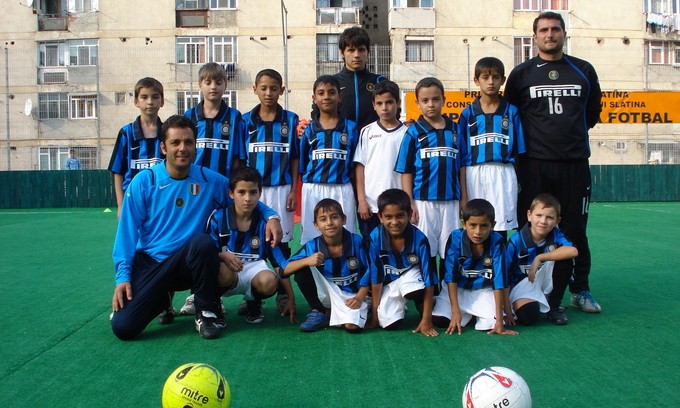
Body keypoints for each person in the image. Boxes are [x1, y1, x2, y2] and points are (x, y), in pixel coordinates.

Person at [110, 115, 281, 341]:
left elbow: (242, 196)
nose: (183, 148)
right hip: (153, 263)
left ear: (195, 146)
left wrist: (272, 216)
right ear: (163, 147)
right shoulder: (144, 182)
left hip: (190, 264)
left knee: (203, 243)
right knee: (123, 327)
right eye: (175, 142)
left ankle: (206, 311)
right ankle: (161, 298)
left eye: (188, 142)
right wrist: (122, 277)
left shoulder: (208, 180)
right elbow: (126, 235)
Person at [504, 11, 603, 318]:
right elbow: (512, 117)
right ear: (534, 36)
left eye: (555, 29)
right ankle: (524, 285)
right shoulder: (521, 74)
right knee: (532, 227)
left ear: (564, 34)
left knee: (575, 229)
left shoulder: (583, 70)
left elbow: (591, 114)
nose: (550, 34)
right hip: (534, 165)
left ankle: (579, 288)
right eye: (544, 30)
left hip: (574, 164)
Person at [241, 69, 299, 321]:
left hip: (282, 189)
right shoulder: (245, 121)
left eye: (274, 88)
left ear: (281, 91)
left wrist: (294, 189)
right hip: (253, 192)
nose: (268, 93)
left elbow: (295, 157)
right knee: (250, 242)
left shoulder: (290, 119)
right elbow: (241, 158)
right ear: (254, 89)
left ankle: (283, 295)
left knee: (281, 243)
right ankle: (252, 298)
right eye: (263, 88)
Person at [206, 166, 295, 326]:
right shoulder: (218, 218)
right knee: (220, 271)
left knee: (269, 281)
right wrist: (222, 255)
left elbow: (279, 264)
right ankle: (215, 305)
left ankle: (253, 302)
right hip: (227, 270)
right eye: (241, 192)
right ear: (231, 193)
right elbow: (207, 251)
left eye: (253, 192)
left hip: (254, 269)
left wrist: (291, 297)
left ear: (260, 193)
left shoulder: (266, 223)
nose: (247, 198)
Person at [394, 77, 466, 260]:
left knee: (450, 250)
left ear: (444, 100)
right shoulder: (413, 132)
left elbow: (462, 167)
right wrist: (409, 203)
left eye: (435, 99)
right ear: (417, 103)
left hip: (451, 200)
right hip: (423, 201)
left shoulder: (455, 130)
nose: (431, 104)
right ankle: (429, 280)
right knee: (426, 251)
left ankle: (448, 280)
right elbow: (406, 171)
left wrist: (464, 198)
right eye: (425, 100)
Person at [458, 57, 525, 241]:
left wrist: (518, 179)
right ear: (476, 80)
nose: (490, 82)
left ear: (502, 80)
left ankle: (499, 259)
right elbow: (461, 155)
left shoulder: (512, 112)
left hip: (503, 172)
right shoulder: (468, 114)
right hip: (474, 172)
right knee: (474, 223)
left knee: (499, 225)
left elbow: (519, 151)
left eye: (495, 77)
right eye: (485, 77)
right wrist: (463, 192)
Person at [283, 199, 370, 333]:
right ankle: (319, 311)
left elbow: (371, 270)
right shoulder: (312, 246)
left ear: (344, 219)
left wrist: (359, 297)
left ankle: (348, 310)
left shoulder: (357, 242)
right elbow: (284, 270)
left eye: (334, 217)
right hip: (327, 294)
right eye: (323, 219)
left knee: (352, 327)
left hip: (354, 295)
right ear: (316, 225)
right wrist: (307, 261)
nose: (329, 223)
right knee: (302, 268)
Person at [431, 199, 517, 336]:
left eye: (484, 226)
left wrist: (500, 319)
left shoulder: (497, 241)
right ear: (464, 224)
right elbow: (451, 277)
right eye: (473, 225)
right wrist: (455, 311)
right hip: (457, 290)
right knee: (439, 320)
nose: (478, 231)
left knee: (492, 323)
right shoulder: (456, 238)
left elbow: (499, 279)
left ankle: (472, 314)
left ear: (493, 225)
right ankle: (464, 313)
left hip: (483, 290)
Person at [366, 189, 438, 337]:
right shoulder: (375, 237)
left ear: (409, 214)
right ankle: (397, 307)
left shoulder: (420, 239)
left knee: (414, 289)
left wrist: (427, 319)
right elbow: (376, 277)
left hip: (412, 278)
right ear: (380, 217)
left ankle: (423, 306)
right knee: (388, 324)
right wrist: (374, 316)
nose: (394, 222)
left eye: (400, 216)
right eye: (388, 217)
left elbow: (429, 280)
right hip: (391, 283)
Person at [298, 75, 359, 244]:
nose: (326, 97)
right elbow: (302, 163)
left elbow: (355, 163)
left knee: (345, 236)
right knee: (313, 237)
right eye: (321, 93)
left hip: (342, 188)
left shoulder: (351, 128)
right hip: (313, 188)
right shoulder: (308, 130)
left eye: (331, 92)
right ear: (314, 98)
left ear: (340, 97)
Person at [506, 193, 578, 325]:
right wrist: (505, 306)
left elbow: (573, 250)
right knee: (528, 316)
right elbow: (504, 274)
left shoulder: (556, 234)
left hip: (543, 283)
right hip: (521, 287)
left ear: (557, 221)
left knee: (565, 260)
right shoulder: (516, 241)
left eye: (549, 217)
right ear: (529, 215)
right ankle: (530, 303)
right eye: (538, 215)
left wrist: (540, 257)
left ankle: (554, 307)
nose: (543, 221)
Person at [298, 26, 384, 136]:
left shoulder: (380, 82)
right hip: (340, 143)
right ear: (342, 53)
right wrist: (306, 128)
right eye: (351, 50)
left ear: (368, 52)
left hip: (372, 143)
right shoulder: (332, 84)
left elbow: (393, 114)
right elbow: (317, 115)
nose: (356, 55)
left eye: (361, 50)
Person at [354, 80, 407, 238]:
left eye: (389, 102)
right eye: (379, 103)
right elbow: (360, 167)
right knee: (371, 246)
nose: (384, 108)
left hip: (398, 206)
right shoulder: (367, 131)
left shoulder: (407, 133)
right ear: (374, 105)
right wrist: (361, 200)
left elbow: (410, 171)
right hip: (371, 205)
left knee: (398, 246)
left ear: (398, 103)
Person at [108, 77, 165, 219]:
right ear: (136, 102)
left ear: (162, 101)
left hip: (163, 202)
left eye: (155, 97)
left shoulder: (167, 132)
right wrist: (121, 205)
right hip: (132, 202)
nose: (150, 102)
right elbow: (118, 171)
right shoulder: (126, 133)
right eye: (144, 97)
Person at [184, 62, 245, 179]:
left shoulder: (234, 117)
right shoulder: (189, 116)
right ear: (200, 85)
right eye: (208, 83)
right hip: (194, 181)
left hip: (223, 182)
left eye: (218, 83)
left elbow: (237, 157)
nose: (213, 87)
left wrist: (234, 182)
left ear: (225, 85)